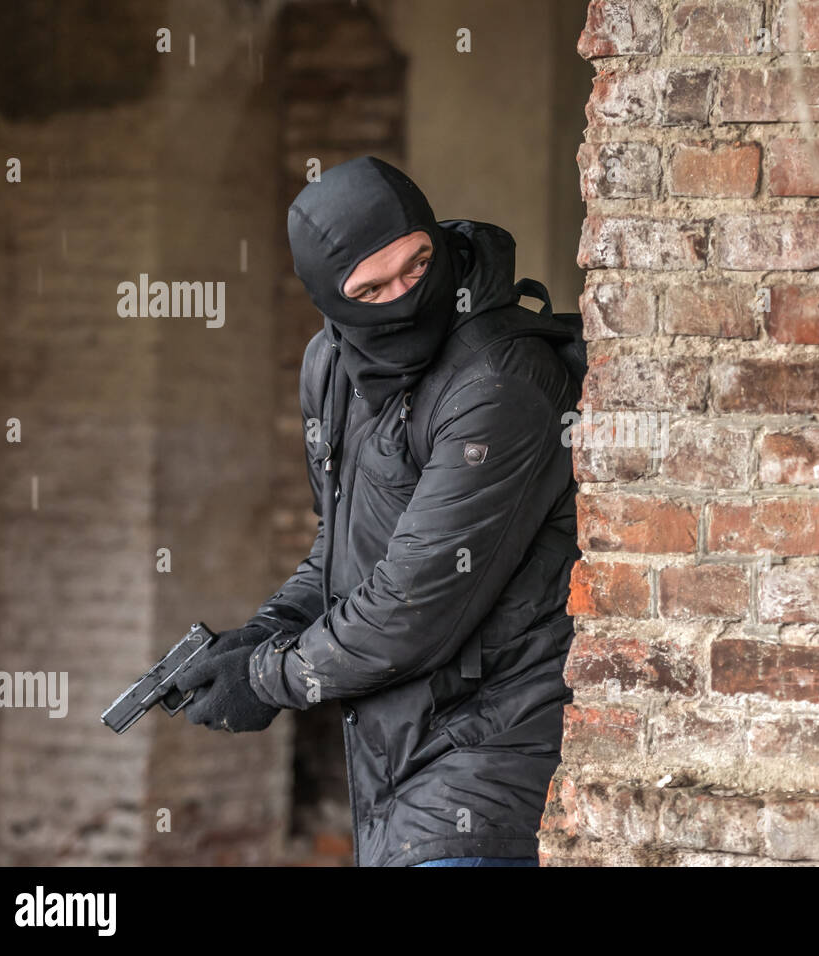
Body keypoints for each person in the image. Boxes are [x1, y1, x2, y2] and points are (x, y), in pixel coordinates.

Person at [175, 156, 582, 868]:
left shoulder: (501, 383)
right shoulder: (331, 368)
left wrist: (269, 678)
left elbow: (416, 602)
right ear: (330, 302)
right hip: (396, 764)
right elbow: (344, 546)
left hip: (493, 763)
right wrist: (270, 628)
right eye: (371, 289)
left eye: (418, 268)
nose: (402, 300)